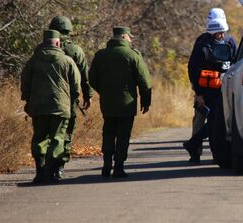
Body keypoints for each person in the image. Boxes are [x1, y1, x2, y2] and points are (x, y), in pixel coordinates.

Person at [89, 26, 152, 178]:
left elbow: (92, 79)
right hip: (127, 104)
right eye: (129, 37)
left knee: (108, 132)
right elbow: (145, 82)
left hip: (107, 103)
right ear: (123, 37)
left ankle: (106, 165)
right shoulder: (133, 55)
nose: (131, 40)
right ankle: (118, 167)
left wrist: (103, 91)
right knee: (123, 135)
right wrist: (145, 101)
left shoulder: (100, 55)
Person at [21, 30, 81, 184]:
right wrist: (72, 100)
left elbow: (25, 83)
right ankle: (51, 171)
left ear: (43, 42)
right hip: (60, 107)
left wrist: (28, 100)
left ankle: (40, 171)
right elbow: (75, 86)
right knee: (57, 139)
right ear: (58, 43)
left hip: (39, 107)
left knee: (39, 137)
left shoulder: (33, 60)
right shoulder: (67, 61)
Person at [183, 8, 236, 164]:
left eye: (222, 31)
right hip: (204, 91)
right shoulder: (202, 43)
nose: (221, 35)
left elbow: (237, 62)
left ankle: (215, 153)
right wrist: (198, 94)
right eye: (218, 32)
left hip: (223, 89)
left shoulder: (230, 42)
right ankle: (195, 153)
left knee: (217, 122)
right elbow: (192, 68)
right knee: (199, 120)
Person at [48, 16, 93, 178]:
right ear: (69, 30)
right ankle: (59, 165)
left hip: (44, 98)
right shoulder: (75, 50)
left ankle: (45, 166)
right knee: (66, 132)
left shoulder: (42, 49)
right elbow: (84, 76)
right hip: (68, 99)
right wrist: (87, 95)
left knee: (46, 132)